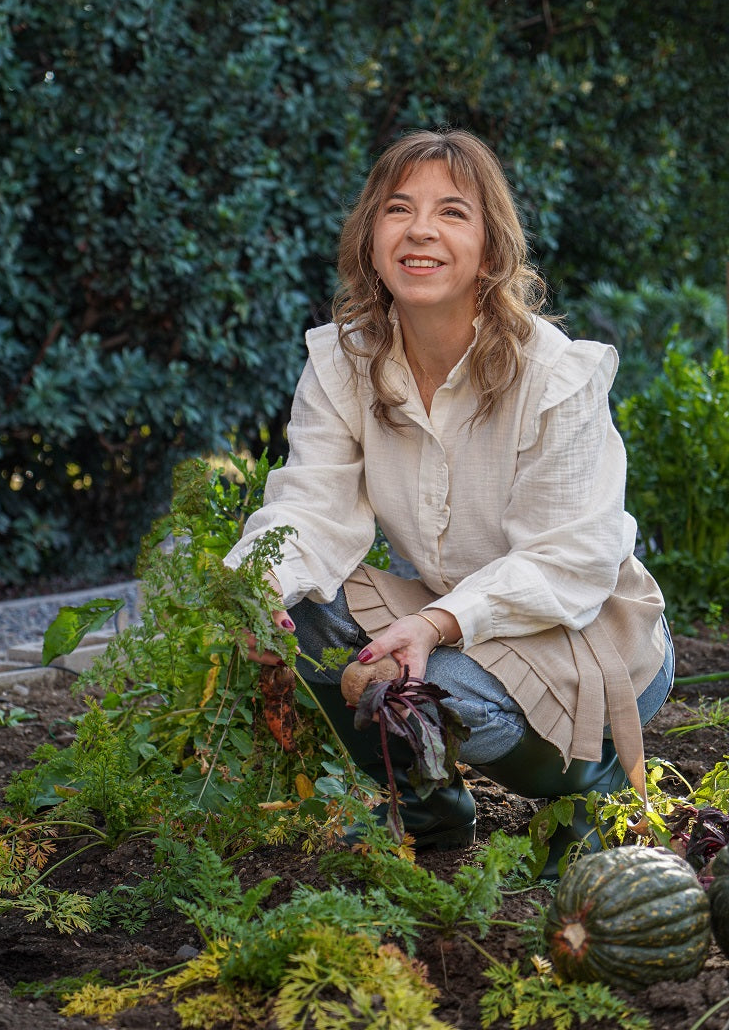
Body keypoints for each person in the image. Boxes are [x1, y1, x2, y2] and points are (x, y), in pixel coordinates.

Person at [224, 128, 674, 872]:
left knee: (429, 695)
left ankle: (587, 787)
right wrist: (259, 586)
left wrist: (434, 623)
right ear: (371, 240)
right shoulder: (344, 363)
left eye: (452, 212)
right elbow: (312, 507)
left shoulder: (554, 376)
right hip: (451, 613)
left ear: (491, 250)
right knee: (302, 618)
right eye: (398, 209)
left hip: (584, 629)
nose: (421, 230)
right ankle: (429, 810)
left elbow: (569, 560)